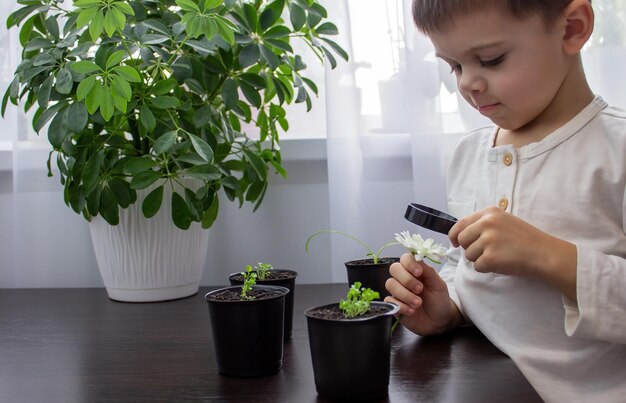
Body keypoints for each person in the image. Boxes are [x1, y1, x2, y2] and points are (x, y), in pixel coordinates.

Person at [384, 1, 626, 402]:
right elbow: (472, 271)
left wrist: (547, 255)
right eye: (455, 66)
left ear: (572, 29)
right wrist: (451, 308)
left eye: (491, 60)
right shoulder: (467, 155)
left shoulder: (616, 152)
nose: (468, 84)